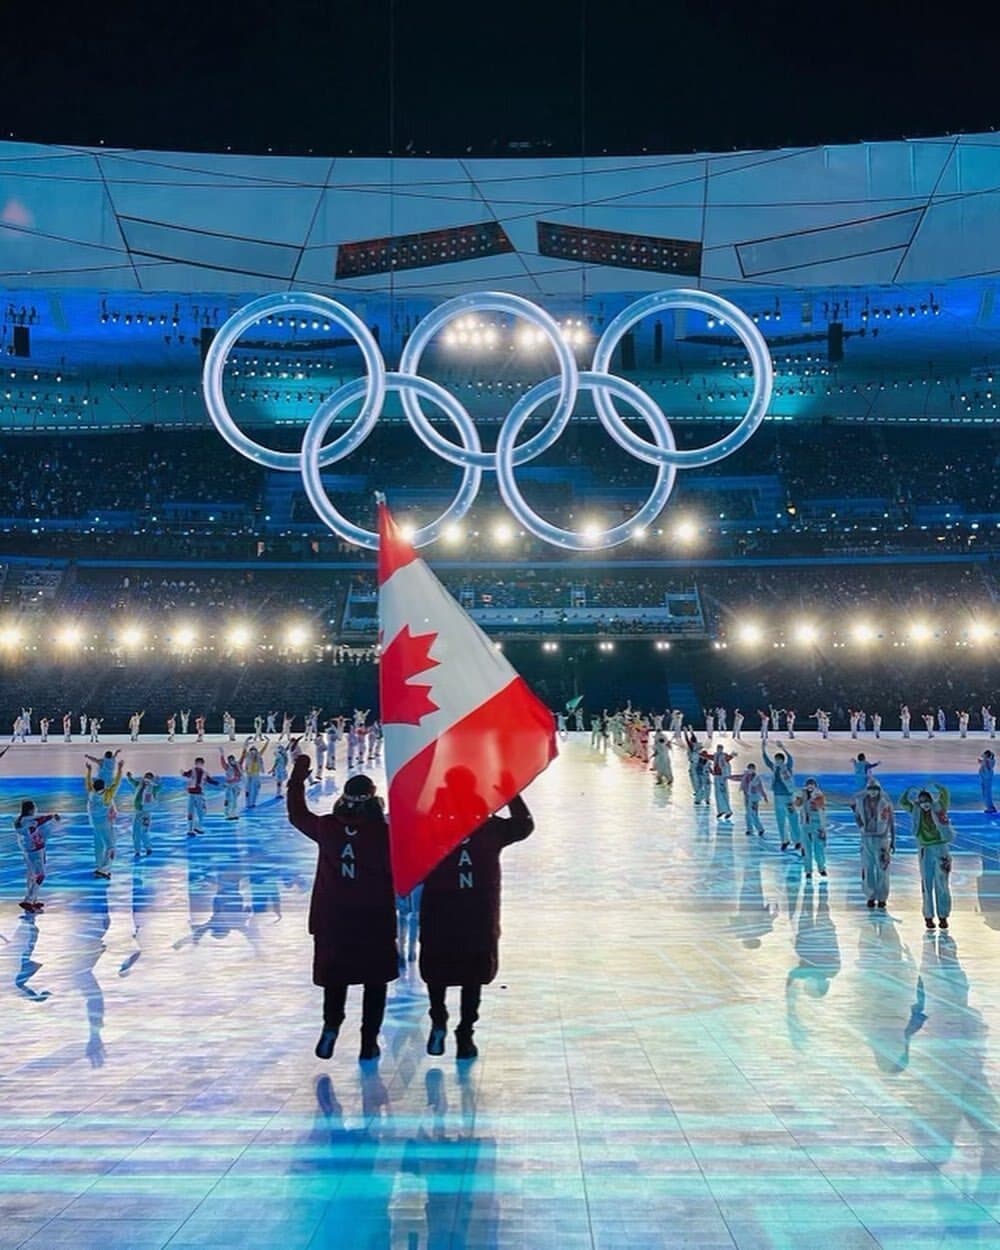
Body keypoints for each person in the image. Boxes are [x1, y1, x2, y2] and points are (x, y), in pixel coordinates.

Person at [286, 753, 397, 1062]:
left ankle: (331, 1026)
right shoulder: (386, 835)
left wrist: (298, 777)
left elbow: (297, 814)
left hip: (332, 917)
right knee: (375, 983)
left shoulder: (327, 828)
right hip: (374, 918)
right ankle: (368, 1042)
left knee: (335, 979)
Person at [420, 774, 534, 1060]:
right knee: (473, 976)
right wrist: (510, 795)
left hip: (439, 911)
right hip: (478, 914)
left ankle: (438, 1018)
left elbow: (397, 832)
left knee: (437, 968)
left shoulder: (430, 826)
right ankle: (466, 1033)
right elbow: (524, 826)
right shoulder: (489, 828)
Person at [901, 785, 955, 931]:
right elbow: (903, 802)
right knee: (927, 883)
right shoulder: (916, 811)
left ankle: (943, 916)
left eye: (927, 801)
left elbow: (945, 795)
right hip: (925, 849)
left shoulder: (939, 809)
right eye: (922, 801)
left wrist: (937, 786)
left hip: (941, 849)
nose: (925, 804)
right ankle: (928, 915)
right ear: (919, 802)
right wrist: (909, 791)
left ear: (931, 801)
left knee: (942, 882)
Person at [849, 777, 895, 910]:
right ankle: (870, 896)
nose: (873, 792)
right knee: (867, 868)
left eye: (875, 789)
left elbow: (891, 822)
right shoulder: (860, 802)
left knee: (883, 869)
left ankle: (882, 897)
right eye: (870, 789)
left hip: (882, 840)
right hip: (866, 839)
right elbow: (855, 811)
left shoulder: (885, 803)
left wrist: (893, 840)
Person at [14, 800, 60, 912]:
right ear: (30, 810)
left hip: (28, 851)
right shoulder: (30, 821)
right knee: (40, 875)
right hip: (36, 851)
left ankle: (32, 899)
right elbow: (42, 820)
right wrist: (53, 817)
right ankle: (29, 901)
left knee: (31, 875)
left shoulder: (19, 821)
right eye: (34, 808)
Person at [85, 757, 124, 878]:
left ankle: (99, 866)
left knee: (99, 845)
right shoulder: (108, 794)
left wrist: (89, 771)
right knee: (111, 846)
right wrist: (120, 768)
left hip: (94, 823)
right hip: (106, 824)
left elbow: (88, 782)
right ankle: (104, 870)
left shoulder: (91, 793)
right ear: (104, 786)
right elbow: (117, 782)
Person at [762, 741, 800, 852]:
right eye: (776, 760)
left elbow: (791, 759)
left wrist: (783, 748)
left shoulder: (787, 767)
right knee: (780, 819)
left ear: (782, 760)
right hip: (777, 796)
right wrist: (763, 748)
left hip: (788, 797)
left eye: (779, 760)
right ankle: (784, 840)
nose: (777, 762)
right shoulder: (774, 768)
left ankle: (797, 841)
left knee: (793, 818)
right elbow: (766, 761)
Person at [793, 778, 828, 881]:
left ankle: (821, 868)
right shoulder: (802, 793)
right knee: (806, 849)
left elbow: (821, 806)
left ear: (815, 786)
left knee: (819, 849)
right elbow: (797, 804)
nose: (810, 787)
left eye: (812, 785)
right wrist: (799, 798)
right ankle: (808, 871)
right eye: (808, 785)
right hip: (805, 825)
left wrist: (813, 799)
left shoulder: (819, 794)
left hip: (817, 825)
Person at [181, 756, 219, 836]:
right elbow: (186, 774)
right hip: (191, 794)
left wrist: (218, 783)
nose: (198, 764)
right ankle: (190, 829)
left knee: (201, 812)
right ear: (195, 763)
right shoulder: (192, 771)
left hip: (199, 794)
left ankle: (198, 827)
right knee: (190, 812)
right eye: (197, 763)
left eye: (200, 763)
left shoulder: (205, 773)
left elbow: (209, 780)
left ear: (202, 764)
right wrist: (183, 773)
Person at [125, 770, 160, 856]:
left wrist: (156, 781)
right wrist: (129, 777)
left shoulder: (153, 787)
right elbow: (132, 781)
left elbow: (159, 787)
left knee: (144, 831)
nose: (147, 779)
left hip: (146, 813)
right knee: (135, 832)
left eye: (149, 778)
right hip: (137, 813)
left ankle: (148, 848)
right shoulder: (139, 785)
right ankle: (137, 851)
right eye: (146, 777)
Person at [737, 761, 768, 836]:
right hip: (747, 797)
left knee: (754, 814)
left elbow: (760, 788)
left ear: (754, 769)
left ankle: (760, 829)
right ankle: (749, 829)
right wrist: (727, 777)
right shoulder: (745, 777)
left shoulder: (756, 778)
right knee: (747, 814)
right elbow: (737, 778)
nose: (750, 770)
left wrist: (764, 796)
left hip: (754, 798)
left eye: (752, 768)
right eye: (749, 768)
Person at [396, 885, 423, 966]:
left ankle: (401, 953)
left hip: (401, 879)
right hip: (418, 880)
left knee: (402, 915)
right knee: (415, 916)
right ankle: (411, 952)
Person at [710, 744, 736, 819]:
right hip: (716, 777)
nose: (719, 750)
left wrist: (732, 755)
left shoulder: (724, 756)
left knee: (724, 795)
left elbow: (728, 758)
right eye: (718, 748)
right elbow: (709, 757)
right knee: (717, 795)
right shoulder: (715, 755)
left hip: (722, 777)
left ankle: (728, 811)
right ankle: (720, 810)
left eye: (720, 749)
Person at [220, 751, 243, 820]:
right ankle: (227, 814)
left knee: (235, 801)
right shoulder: (227, 766)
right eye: (229, 760)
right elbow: (222, 763)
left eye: (232, 760)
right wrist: (222, 754)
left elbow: (240, 775)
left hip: (236, 785)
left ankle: (233, 814)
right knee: (229, 800)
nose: (231, 761)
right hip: (229, 785)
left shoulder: (238, 766)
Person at [979, 750, 997, 815]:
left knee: (987, 793)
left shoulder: (988, 761)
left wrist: (984, 760)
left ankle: (990, 807)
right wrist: (983, 760)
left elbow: (988, 767)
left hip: (987, 778)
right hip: (984, 778)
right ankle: (989, 807)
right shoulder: (987, 760)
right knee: (985, 793)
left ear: (987, 755)